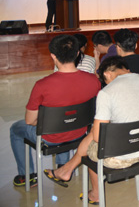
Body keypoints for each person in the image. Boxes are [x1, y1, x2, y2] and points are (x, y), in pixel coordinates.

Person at [45, 56, 139, 205]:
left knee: (93, 138)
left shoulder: (107, 92)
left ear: (106, 74)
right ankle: (66, 170)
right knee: (98, 131)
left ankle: (95, 194)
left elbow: (99, 138)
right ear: (126, 69)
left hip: (120, 158)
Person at [10, 35, 101, 187]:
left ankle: (28, 176)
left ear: (53, 56)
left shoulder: (42, 85)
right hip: (80, 133)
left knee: (15, 129)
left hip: (50, 138)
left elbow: (30, 121)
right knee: (66, 120)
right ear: (78, 53)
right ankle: (62, 165)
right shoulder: (94, 80)